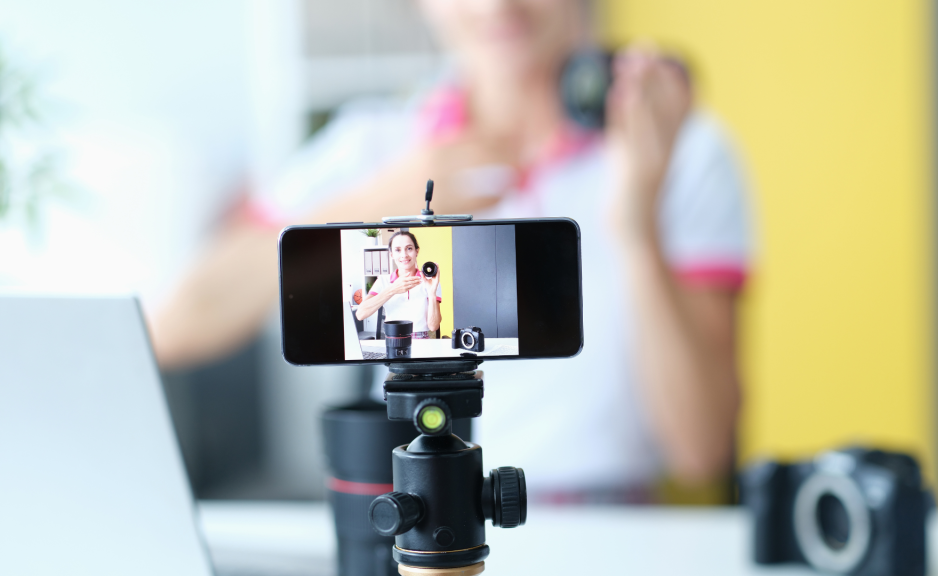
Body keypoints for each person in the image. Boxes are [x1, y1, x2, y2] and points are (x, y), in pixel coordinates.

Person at [151, 0, 752, 501]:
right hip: (410, 508)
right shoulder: (376, 145)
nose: (497, 7)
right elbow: (174, 326)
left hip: (605, 523)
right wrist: (391, 196)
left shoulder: (679, 153)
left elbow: (701, 450)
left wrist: (637, 224)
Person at [356, 231, 442, 337]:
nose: (404, 255)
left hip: (421, 340)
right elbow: (360, 314)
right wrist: (392, 289)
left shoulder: (430, 281)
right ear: (391, 254)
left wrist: (432, 293)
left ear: (417, 251)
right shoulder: (383, 281)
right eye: (397, 250)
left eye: (409, 248)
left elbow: (433, 326)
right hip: (393, 338)